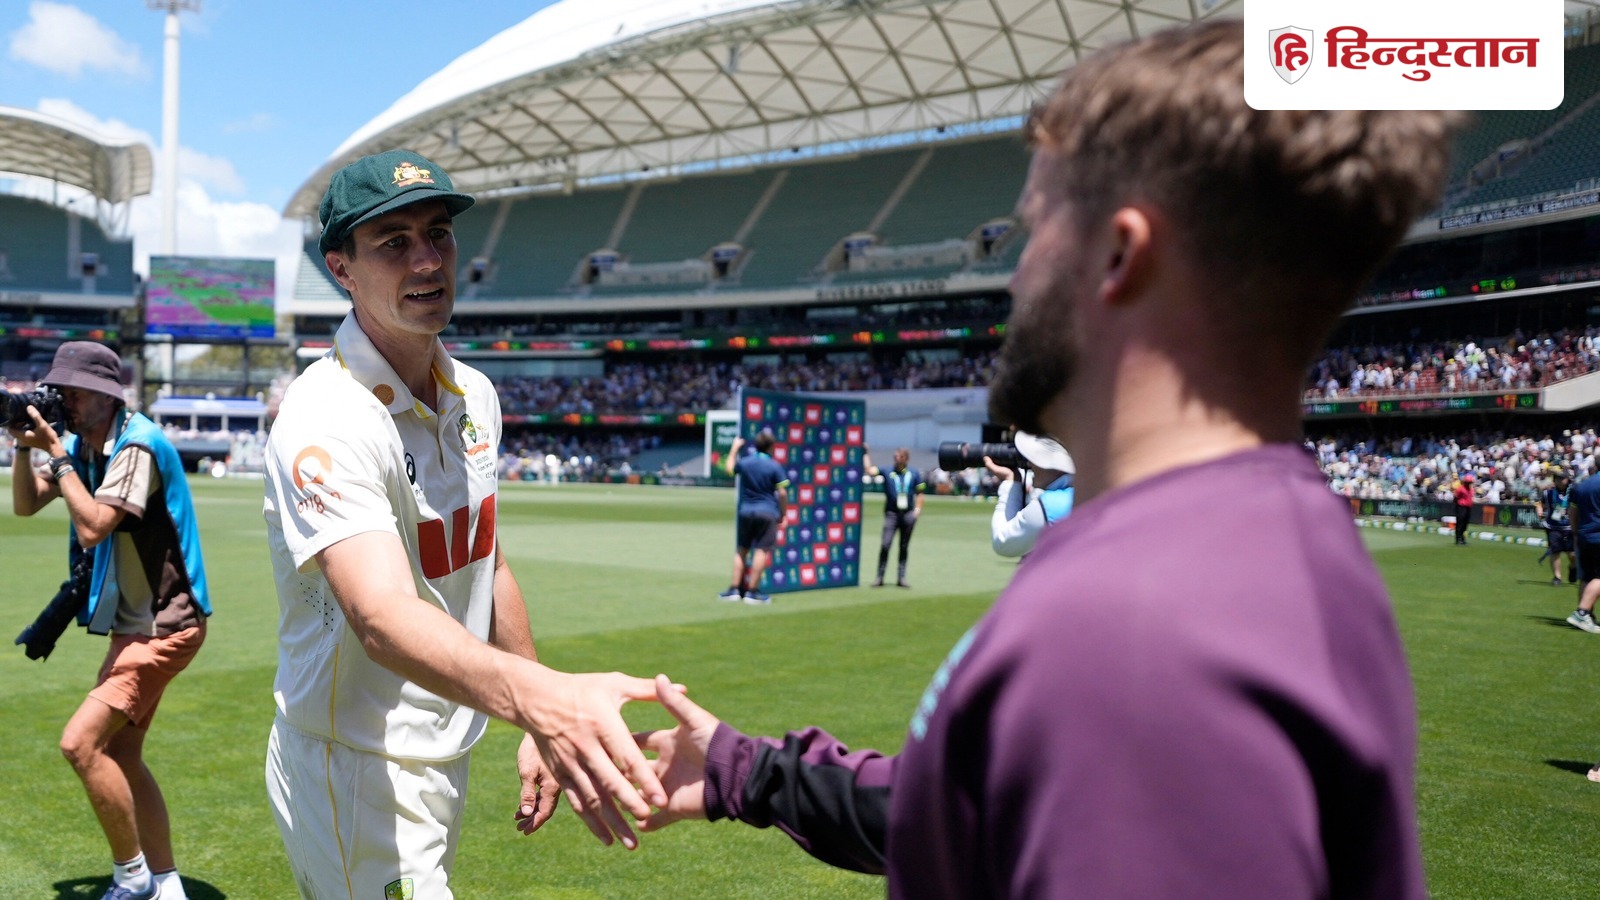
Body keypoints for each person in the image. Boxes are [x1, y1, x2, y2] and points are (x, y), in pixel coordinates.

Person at [632, 20, 1456, 897]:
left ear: (1119, 254)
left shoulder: (1134, 626)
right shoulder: (1267, 537)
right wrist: (751, 773)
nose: (1014, 277)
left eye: (1034, 227)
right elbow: (985, 804)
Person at [261, 149, 668, 898]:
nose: (427, 260)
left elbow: (487, 560)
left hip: (443, 746)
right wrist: (545, 702)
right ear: (341, 268)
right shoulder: (325, 417)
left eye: (438, 234)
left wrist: (537, 717)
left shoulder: (474, 393)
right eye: (393, 242)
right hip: (353, 763)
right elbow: (381, 617)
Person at [9, 341, 211, 900]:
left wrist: (58, 455)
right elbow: (26, 504)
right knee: (122, 753)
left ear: (105, 395)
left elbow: (94, 526)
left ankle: (133, 876)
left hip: (166, 626)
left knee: (80, 744)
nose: (64, 402)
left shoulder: (136, 445)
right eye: (60, 392)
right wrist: (23, 448)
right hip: (138, 627)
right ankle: (167, 885)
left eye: (73, 393)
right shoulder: (86, 444)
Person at [719, 432, 790, 605]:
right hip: (767, 512)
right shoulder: (774, 466)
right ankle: (752, 591)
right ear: (771, 447)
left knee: (741, 549)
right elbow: (782, 493)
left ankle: (734, 589)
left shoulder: (746, 462)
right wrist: (784, 514)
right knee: (761, 550)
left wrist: (734, 448)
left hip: (745, 511)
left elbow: (729, 468)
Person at [984, 431, 1074, 557]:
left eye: (1036, 459)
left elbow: (1003, 542)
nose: (1030, 464)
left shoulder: (1050, 505)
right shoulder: (1086, 492)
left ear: (1058, 467)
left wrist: (1011, 481)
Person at [863, 447, 924, 587]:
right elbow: (870, 471)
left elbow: (920, 492)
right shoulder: (887, 470)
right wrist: (866, 454)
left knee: (904, 546)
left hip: (908, 513)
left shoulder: (914, 473)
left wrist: (917, 510)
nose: (897, 459)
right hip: (892, 514)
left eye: (900, 457)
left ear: (906, 459)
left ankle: (901, 577)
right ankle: (880, 577)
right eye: (895, 457)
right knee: (885, 544)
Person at [1564, 471, 1600, 634]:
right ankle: (1582, 613)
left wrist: (1576, 533)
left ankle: (1587, 616)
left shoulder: (1583, 485)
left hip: (1584, 536)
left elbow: (1572, 512)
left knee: (1587, 577)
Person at [1537, 470, 1575, 587]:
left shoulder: (1574, 493)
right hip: (1553, 527)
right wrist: (1539, 511)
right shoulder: (1548, 493)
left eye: (1562, 478)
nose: (1560, 481)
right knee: (1555, 551)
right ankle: (1557, 577)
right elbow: (1539, 503)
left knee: (1572, 554)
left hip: (1569, 527)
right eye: (1557, 478)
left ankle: (1573, 567)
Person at [1451, 471, 1475, 545]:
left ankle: (1462, 537)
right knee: (1460, 523)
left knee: (1465, 523)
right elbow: (1455, 498)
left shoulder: (1471, 489)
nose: (1469, 484)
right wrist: (1457, 506)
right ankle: (1458, 538)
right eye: (1468, 482)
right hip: (1461, 507)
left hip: (1468, 507)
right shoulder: (1460, 489)